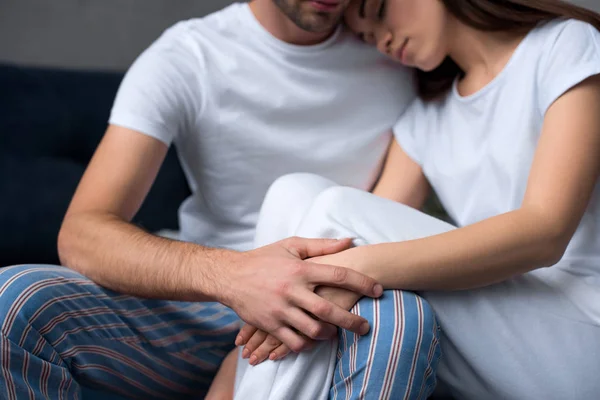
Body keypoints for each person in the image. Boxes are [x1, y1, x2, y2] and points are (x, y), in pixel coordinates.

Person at [0, 1, 441, 399]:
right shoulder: (188, 56)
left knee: (400, 319)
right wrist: (234, 278)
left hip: (338, 298)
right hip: (203, 307)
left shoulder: (399, 44)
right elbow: (83, 232)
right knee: (12, 299)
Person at [229, 0, 600, 399]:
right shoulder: (427, 116)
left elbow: (545, 233)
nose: (382, 41)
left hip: (582, 336)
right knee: (294, 191)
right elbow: (348, 235)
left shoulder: (565, 44)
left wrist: (345, 269)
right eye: (367, 37)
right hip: (498, 343)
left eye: (381, 12)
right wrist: (332, 275)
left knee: (335, 214)